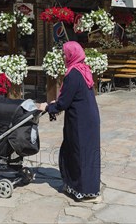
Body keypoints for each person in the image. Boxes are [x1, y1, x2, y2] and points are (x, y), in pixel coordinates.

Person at [38, 41, 102, 203]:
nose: (63, 57)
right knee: (80, 152)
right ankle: (76, 186)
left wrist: (48, 107)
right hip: (87, 118)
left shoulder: (73, 74)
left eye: (65, 54)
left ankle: (86, 192)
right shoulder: (82, 68)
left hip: (81, 121)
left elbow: (64, 102)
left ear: (71, 55)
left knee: (80, 153)